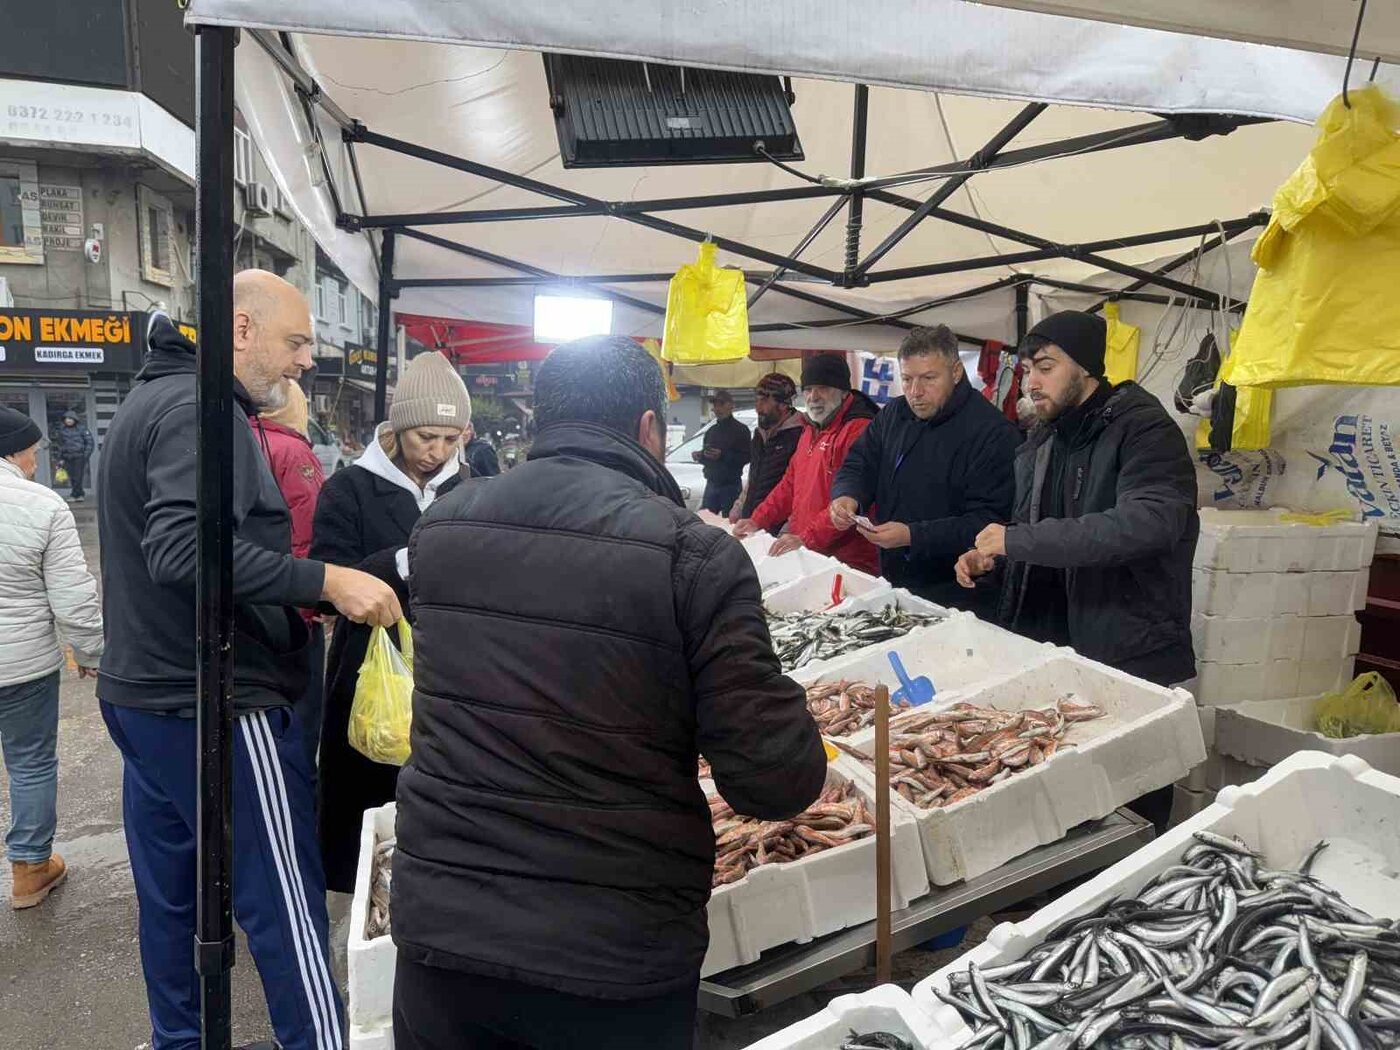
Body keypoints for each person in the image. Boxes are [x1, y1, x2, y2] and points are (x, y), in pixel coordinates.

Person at [391, 335, 826, 1050]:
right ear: (649, 431)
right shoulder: (692, 554)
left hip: (445, 939)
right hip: (612, 958)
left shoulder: (441, 529)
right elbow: (774, 780)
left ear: (539, 419)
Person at [97, 271, 402, 1050]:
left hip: (146, 698)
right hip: (219, 701)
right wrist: (326, 579)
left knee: (173, 902)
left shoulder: (151, 399)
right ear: (239, 330)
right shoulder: (201, 410)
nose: (306, 361)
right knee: (285, 902)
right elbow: (181, 552)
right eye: (296, 342)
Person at [955, 311, 1198, 830]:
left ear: (1086, 369)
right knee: (1071, 805)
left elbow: (1150, 522)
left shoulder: (1144, 428)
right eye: (1026, 369)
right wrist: (996, 558)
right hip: (1057, 652)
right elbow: (1035, 532)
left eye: (1045, 366)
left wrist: (1020, 539)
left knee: (1133, 804)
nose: (1031, 381)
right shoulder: (1042, 440)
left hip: (1130, 648)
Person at [310, 349, 471, 894]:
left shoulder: (472, 485)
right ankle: (360, 913)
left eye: (451, 439)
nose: (438, 452)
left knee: (446, 799)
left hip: (455, 668)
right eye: (427, 436)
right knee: (370, 803)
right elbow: (328, 586)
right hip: (369, 671)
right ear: (398, 428)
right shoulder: (348, 490)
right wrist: (404, 559)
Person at [829, 325, 1020, 614]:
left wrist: (913, 535)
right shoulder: (893, 413)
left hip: (958, 592)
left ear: (956, 372)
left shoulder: (993, 433)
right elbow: (860, 462)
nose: (915, 392)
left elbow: (988, 522)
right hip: (894, 578)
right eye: (906, 379)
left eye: (929, 378)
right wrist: (848, 494)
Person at [0, 407, 104, 909]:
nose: (36, 463)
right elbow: (72, 598)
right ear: (12, 451)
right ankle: (30, 869)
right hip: (22, 666)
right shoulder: (41, 505)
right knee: (30, 763)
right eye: (32, 453)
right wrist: (90, 651)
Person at [734, 353, 880, 575]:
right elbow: (788, 485)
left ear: (843, 392)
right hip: (810, 554)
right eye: (809, 389)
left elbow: (846, 506)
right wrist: (756, 520)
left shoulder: (858, 430)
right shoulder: (810, 430)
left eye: (823, 388)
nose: (813, 396)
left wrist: (805, 538)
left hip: (849, 562)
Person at [255, 379, 328, 775]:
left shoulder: (237, 437)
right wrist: (313, 601)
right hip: (290, 608)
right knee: (300, 724)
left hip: (250, 604)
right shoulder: (293, 451)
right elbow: (309, 533)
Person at [729, 372, 806, 530]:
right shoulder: (759, 434)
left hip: (780, 527)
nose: (758, 407)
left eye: (764, 401)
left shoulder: (801, 434)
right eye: (756, 400)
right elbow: (754, 475)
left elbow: (802, 487)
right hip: (752, 520)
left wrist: (791, 525)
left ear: (784, 405)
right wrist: (739, 505)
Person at [691, 388, 750, 514]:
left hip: (731, 485)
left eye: (721, 404)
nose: (717, 408)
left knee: (730, 522)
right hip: (711, 483)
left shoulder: (741, 430)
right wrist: (700, 456)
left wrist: (723, 455)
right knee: (707, 522)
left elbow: (746, 457)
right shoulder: (711, 431)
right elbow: (707, 456)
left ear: (731, 405)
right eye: (715, 405)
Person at [54, 411, 96, 502]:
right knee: (72, 477)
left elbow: (89, 442)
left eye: (70, 419)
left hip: (79, 457)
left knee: (78, 477)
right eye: (67, 419)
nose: (68, 420)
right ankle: (79, 494)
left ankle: (75, 495)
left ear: (75, 419)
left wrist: (86, 455)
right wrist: (60, 458)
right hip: (67, 457)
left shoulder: (82, 429)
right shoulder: (62, 431)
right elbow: (60, 445)